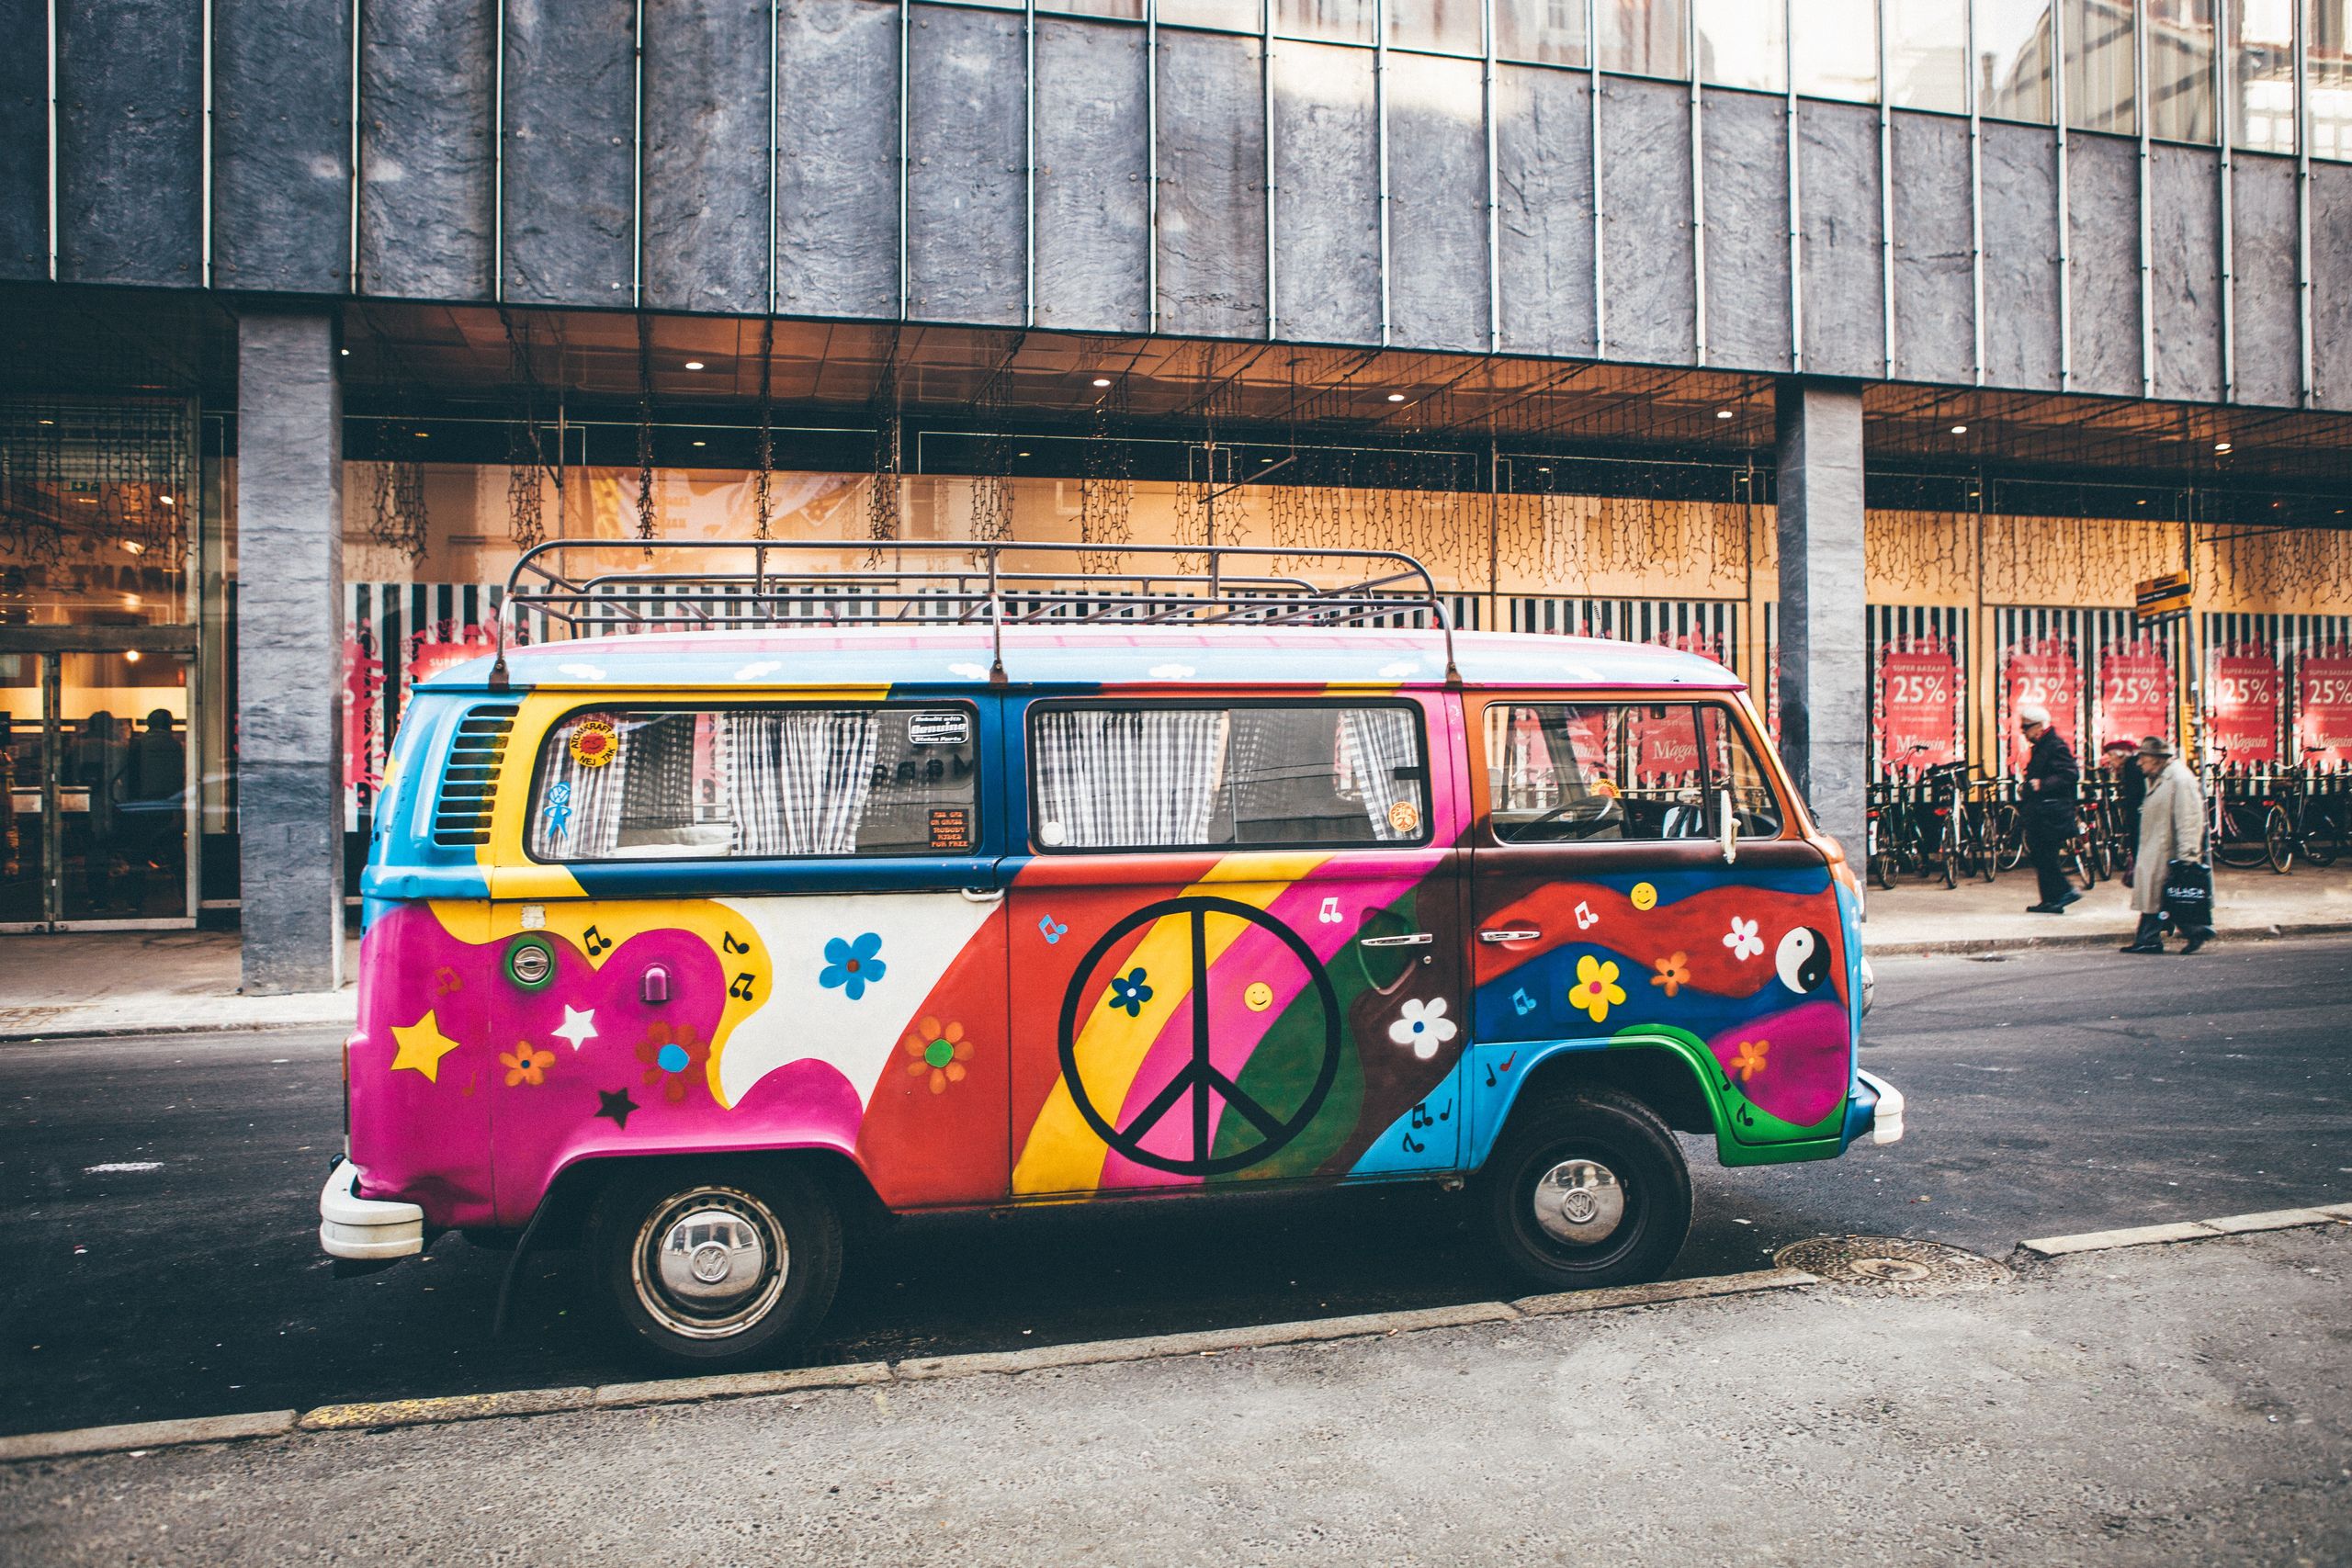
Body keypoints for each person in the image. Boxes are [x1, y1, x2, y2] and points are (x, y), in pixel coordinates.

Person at [2121, 735, 2213, 954]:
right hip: (2156, 848)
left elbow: (2189, 819)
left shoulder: (2179, 780)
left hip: (2168, 851)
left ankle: (2189, 931)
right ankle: (2149, 939)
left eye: (2143, 758)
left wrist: (2188, 856)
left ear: (2156, 758)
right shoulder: (2158, 777)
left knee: (2168, 896)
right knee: (2159, 898)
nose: (2139, 763)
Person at [2017, 703, 2080, 913]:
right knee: (2040, 854)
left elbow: (2070, 774)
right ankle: (2050, 899)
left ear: (2039, 726)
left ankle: (2065, 891)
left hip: (2051, 813)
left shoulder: (2055, 745)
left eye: (2027, 727)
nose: (2024, 732)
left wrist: (2043, 784)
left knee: (2045, 855)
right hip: (2043, 812)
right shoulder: (2043, 746)